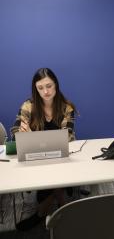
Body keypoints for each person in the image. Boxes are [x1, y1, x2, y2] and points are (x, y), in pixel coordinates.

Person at [10, 68, 76, 231]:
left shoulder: (66, 107)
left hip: (62, 156)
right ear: (35, 89)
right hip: (36, 157)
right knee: (53, 186)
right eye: (40, 88)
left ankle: (41, 213)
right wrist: (22, 134)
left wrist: (32, 137)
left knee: (54, 182)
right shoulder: (29, 105)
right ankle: (64, 206)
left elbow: (66, 136)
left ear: (56, 85)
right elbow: (15, 132)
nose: (45, 91)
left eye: (49, 86)